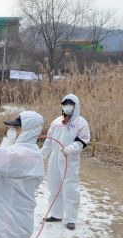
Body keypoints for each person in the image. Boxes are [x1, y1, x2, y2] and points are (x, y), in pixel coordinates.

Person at [41, 94, 91, 230]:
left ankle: (71, 218)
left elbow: (83, 140)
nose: (67, 107)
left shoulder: (80, 122)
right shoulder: (57, 122)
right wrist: (41, 155)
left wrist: (70, 149)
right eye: (65, 104)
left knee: (70, 187)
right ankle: (56, 214)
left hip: (69, 159)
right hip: (54, 158)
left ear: (76, 106)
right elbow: (48, 141)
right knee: (53, 185)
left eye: (70, 104)